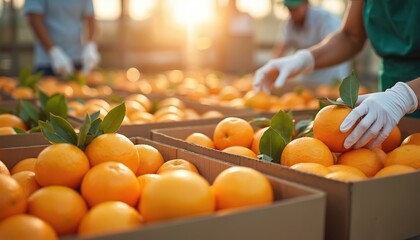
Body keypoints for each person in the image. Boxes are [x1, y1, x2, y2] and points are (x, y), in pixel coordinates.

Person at [253, 0, 420, 150]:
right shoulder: (289, 25)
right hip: (388, 90)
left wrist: (405, 96)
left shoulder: (322, 18)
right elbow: (350, 36)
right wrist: (305, 59)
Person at [271, 0, 350, 85]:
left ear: (306, 4)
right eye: (289, 9)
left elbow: (334, 47)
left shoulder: (324, 18)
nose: (292, 12)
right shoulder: (289, 25)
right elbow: (279, 50)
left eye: (295, 8)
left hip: (332, 77)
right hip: (309, 79)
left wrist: (304, 59)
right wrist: (272, 70)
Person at [24, 0, 100, 77]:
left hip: (77, 60)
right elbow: (35, 21)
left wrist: (91, 46)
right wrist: (53, 52)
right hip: (48, 62)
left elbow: (91, 20)